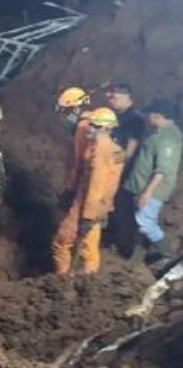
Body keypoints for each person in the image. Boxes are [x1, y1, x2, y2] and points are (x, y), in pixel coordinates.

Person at [51, 108, 125, 275]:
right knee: (89, 247)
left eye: (92, 125)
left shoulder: (98, 151)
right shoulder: (116, 149)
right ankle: (89, 280)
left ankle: (62, 280)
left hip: (86, 205)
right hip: (102, 206)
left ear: (102, 128)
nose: (88, 128)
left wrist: (87, 216)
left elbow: (95, 186)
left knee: (62, 242)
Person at [122, 99, 183, 265]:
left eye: (150, 114)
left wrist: (147, 193)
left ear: (158, 116)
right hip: (142, 186)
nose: (147, 117)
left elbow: (162, 170)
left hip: (152, 190)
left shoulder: (169, 138)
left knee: (145, 222)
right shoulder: (159, 132)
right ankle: (137, 257)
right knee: (140, 224)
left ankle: (167, 254)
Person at [105, 83, 148, 256]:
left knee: (122, 209)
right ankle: (112, 238)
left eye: (114, 97)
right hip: (116, 170)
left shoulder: (134, 119)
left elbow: (130, 150)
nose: (111, 101)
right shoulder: (120, 116)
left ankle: (126, 248)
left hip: (124, 172)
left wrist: (109, 164)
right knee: (113, 207)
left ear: (125, 97)